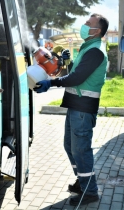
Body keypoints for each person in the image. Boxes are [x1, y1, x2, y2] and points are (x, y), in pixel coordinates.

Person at [33, 13, 109, 206]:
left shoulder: (96, 51)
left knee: (81, 150)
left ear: (97, 30)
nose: (84, 25)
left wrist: (51, 83)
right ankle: (83, 181)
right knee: (70, 147)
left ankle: (90, 192)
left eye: (88, 23)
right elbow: (75, 71)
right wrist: (64, 63)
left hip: (83, 108)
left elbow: (77, 78)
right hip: (76, 105)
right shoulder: (88, 48)